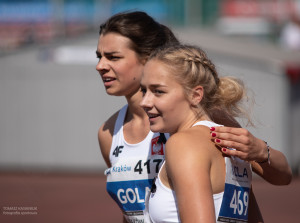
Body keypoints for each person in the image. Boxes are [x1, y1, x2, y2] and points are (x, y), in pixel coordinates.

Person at [96, 11, 292, 223]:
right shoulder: (110, 133)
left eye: (113, 57)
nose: (100, 66)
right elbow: (133, 214)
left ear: (148, 58)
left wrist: (262, 150)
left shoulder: (203, 119)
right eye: (99, 56)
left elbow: (275, 179)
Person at [139, 44, 261, 222]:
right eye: (144, 90)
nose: (145, 101)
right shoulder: (226, 141)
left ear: (196, 95)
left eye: (158, 91)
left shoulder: (184, 143)